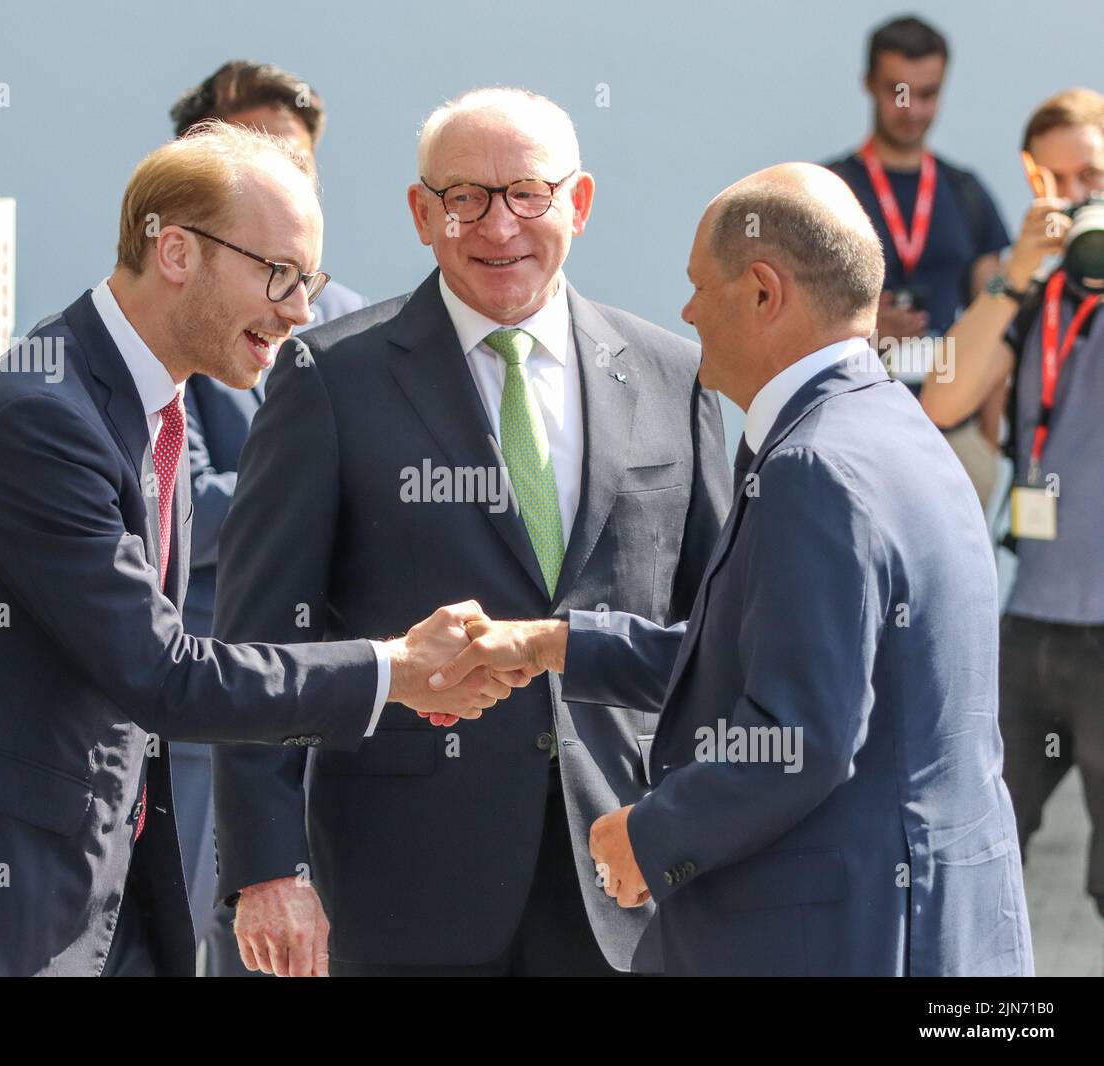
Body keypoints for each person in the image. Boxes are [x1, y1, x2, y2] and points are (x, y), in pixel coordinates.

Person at [0, 122, 517, 977]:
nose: (298, 312)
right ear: (177, 252)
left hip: (94, 899)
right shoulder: (41, 420)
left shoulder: (148, 402)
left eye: (308, 281)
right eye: (279, 275)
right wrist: (391, 669)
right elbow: (162, 673)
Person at [433, 162, 1034, 976]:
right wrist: (553, 644)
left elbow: (800, 732)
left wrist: (649, 834)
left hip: (835, 933)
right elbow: (770, 654)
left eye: (697, 285)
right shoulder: (891, 423)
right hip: (928, 920)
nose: (684, 311)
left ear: (761, 292)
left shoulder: (815, 467)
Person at [210, 87, 731, 976]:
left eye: (528, 192)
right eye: (465, 199)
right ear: (422, 213)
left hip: (626, 874)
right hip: (402, 883)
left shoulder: (674, 374)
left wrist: (709, 830)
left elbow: (721, 632)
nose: (499, 227)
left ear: (580, 202)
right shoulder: (329, 379)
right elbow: (261, 641)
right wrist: (267, 868)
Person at [166, 59, 369, 970]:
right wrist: (313, 488)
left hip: (332, 690)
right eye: (260, 162)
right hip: (202, 687)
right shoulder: (170, 325)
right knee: (194, 918)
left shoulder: (359, 325)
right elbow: (177, 508)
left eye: (300, 164)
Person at [919, 88, 1104, 922]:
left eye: (1092, 175)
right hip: (1028, 625)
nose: (1077, 196)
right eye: (1057, 181)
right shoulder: (1029, 295)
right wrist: (1021, 273)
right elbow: (942, 402)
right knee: (974, 854)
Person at [825, 15, 1010, 506]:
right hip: (852, 428)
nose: (912, 109)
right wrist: (860, 327)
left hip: (953, 436)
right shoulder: (826, 190)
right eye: (897, 91)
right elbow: (791, 314)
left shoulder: (967, 194)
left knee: (956, 582)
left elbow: (998, 318)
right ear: (868, 84)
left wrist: (988, 439)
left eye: (928, 94)